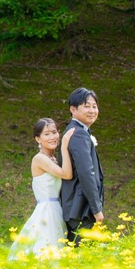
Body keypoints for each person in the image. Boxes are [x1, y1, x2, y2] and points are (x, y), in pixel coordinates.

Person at [9, 118, 75, 258]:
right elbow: (67, 174)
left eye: (55, 132)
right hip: (47, 211)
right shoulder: (39, 159)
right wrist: (64, 146)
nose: (52, 137)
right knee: (47, 251)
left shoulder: (52, 158)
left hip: (57, 209)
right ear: (38, 139)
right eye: (47, 134)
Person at [60, 87, 104, 246]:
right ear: (73, 109)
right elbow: (86, 173)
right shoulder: (78, 133)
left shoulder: (78, 131)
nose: (92, 110)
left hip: (78, 209)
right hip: (81, 210)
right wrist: (97, 209)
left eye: (94, 106)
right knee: (84, 258)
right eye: (87, 106)